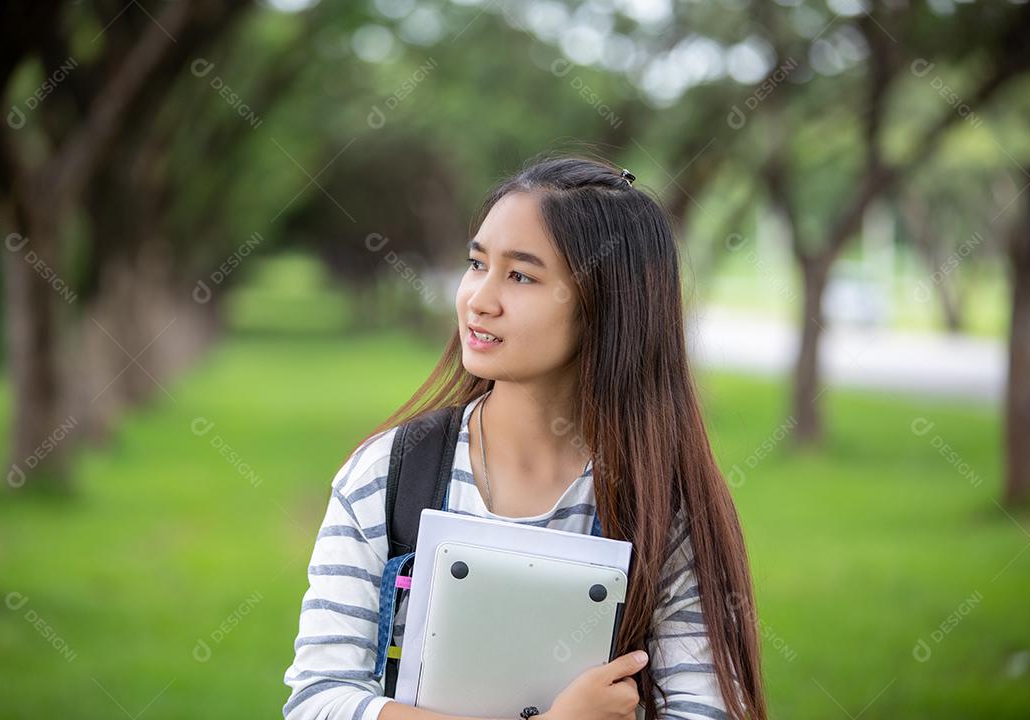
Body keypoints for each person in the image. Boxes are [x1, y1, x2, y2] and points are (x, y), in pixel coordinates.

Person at [281, 155, 768, 720]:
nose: (479, 299)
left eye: (521, 276)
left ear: (604, 306)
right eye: (476, 263)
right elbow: (319, 700)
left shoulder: (661, 501)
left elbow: (703, 709)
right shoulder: (389, 475)